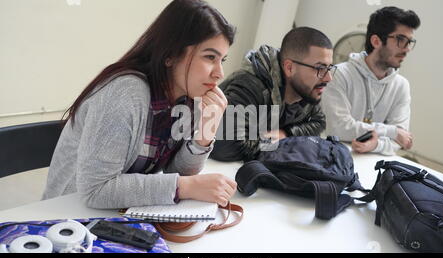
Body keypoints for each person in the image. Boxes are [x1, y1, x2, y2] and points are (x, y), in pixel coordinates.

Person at [43, 0, 237, 208]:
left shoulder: (189, 96)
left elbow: (177, 173)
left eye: (222, 60)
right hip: (67, 216)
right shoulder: (124, 93)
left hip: (121, 212)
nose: (219, 73)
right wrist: (185, 186)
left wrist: (205, 135)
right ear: (171, 55)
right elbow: (95, 190)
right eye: (210, 57)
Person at [210, 27, 335, 162]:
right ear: (289, 68)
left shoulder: (306, 90)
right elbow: (227, 146)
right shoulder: (252, 85)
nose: (328, 78)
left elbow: (319, 122)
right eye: (320, 68)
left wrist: (286, 133)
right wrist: (274, 141)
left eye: (329, 68)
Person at [321, 6, 421, 155]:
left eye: (409, 42)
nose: (407, 49)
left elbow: (402, 138)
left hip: (373, 163)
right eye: (400, 40)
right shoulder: (338, 74)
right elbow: (338, 127)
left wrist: (376, 145)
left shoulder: (402, 86)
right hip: (332, 158)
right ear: (376, 41)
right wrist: (391, 131)